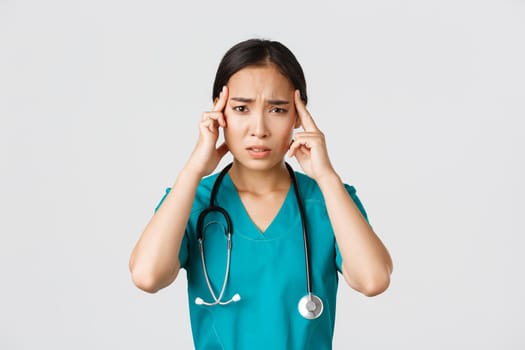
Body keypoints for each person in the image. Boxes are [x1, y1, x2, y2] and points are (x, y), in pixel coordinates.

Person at [129, 38, 393, 350]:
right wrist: (192, 171)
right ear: (219, 113)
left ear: (298, 116)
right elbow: (148, 276)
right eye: (241, 108)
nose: (259, 128)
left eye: (278, 110)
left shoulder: (327, 200)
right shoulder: (193, 199)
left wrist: (326, 175)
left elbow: (373, 280)